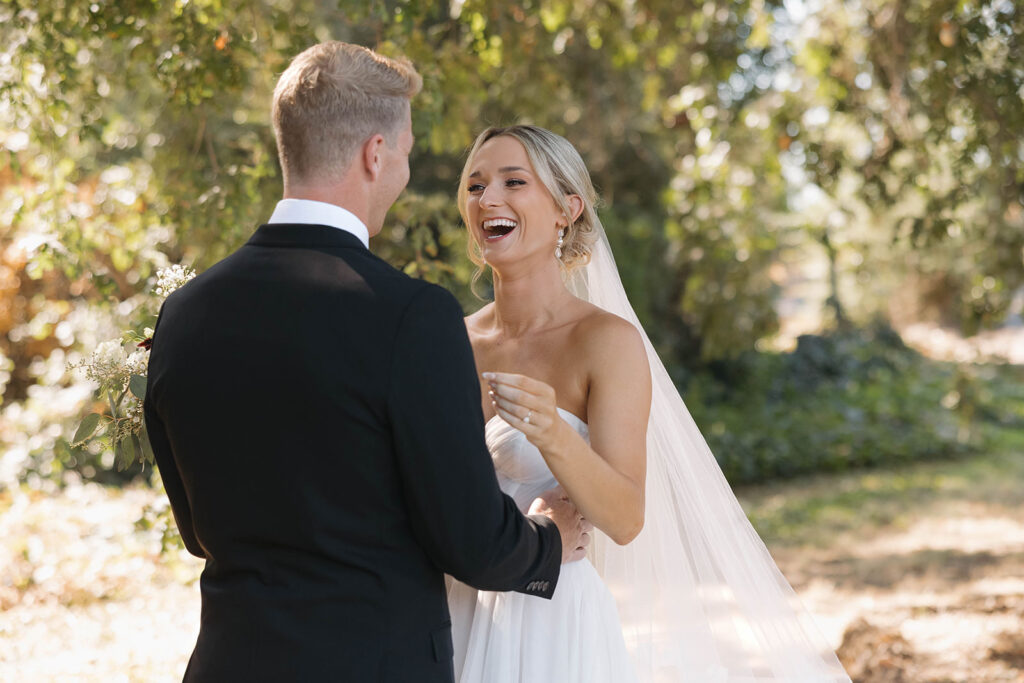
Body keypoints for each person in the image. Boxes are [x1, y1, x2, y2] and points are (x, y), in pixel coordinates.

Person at [143, 44, 590, 683]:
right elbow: (474, 542)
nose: (403, 174)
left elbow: (196, 530)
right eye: (404, 154)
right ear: (375, 154)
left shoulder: (184, 313)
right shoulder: (410, 315)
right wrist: (548, 538)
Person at [447, 125, 851, 682]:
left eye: (514, 181)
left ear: (568, 208)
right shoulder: (448, 341)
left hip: (550, 620)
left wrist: (552, 431)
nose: (488, 198)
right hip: (452, 611)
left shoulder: (605, 342)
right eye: (475, 186)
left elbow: (625, 517)